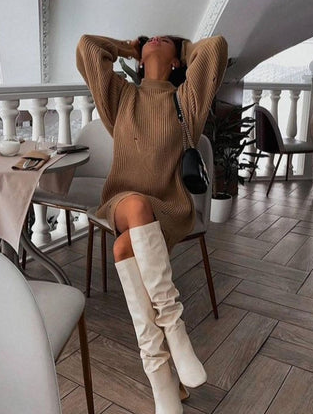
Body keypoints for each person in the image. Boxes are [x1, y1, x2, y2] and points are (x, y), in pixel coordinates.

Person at [77, 33, 227, 414]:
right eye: (150, 41)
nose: (156, 38)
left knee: (122, 247)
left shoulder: (186, 101)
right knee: (136, 206)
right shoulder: (121, 97)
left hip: (168, 208)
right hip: (121, 202)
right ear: (139, 60)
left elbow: (217, 47)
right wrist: (127, 49)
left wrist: (185, 50)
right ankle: (175, 329)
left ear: (177, 61)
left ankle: (162, 376)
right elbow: (87, 48)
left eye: (166, 41)